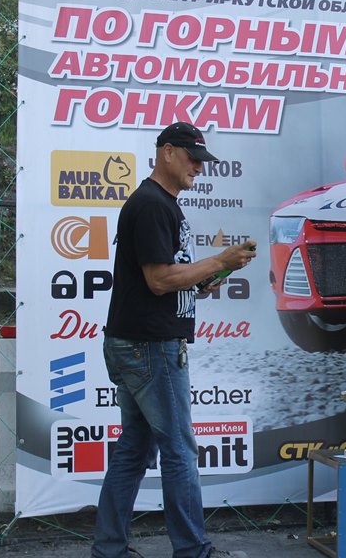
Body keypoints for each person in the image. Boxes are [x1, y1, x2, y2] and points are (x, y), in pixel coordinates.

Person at [93, 122, 255, 558]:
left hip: (139, 342)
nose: (198, 168)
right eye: (192, 158)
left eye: (202, 160)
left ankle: (109, 549)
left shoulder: (161, 204)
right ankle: (192, 551)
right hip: (150, 346)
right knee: (179, 450)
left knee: (134, 449)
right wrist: (217, 260)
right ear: (167, 152)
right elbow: (159, 280)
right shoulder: (151, 205)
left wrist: (208, 278)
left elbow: (169, 277)